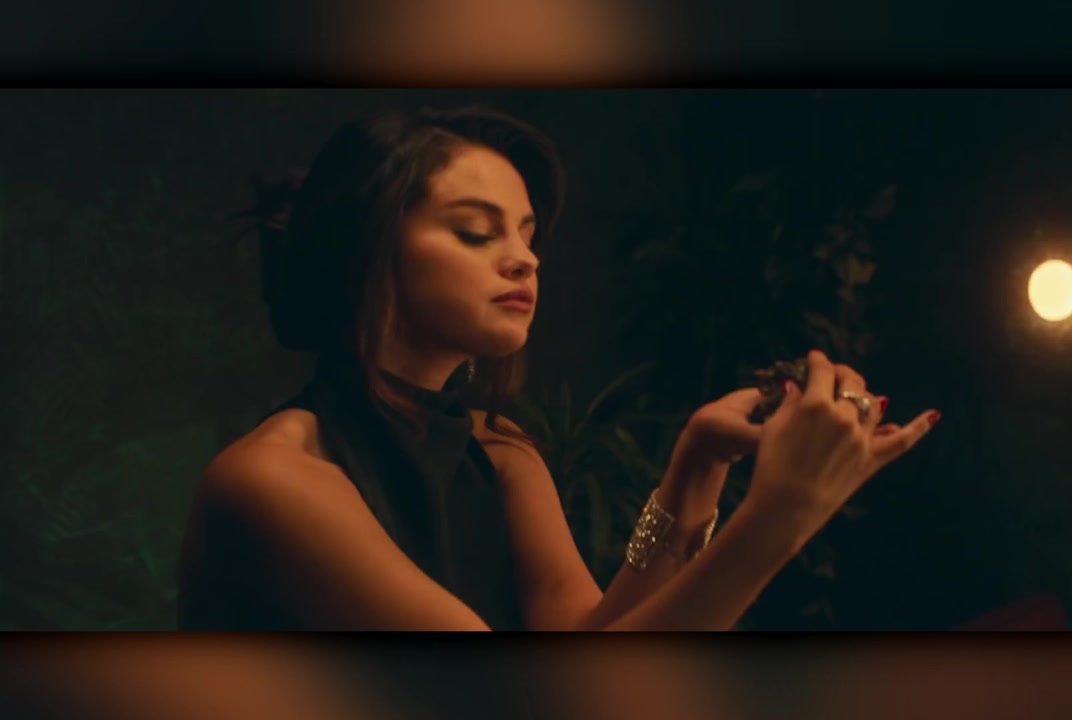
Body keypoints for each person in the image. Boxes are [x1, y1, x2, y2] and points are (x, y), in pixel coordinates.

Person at [176, 104, 941, 631]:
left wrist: (695, 472)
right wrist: (782, 516)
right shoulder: (273, 480)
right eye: (476, 232)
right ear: (366, 250)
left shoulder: (499, 452)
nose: (525, 259)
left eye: (526, 233)